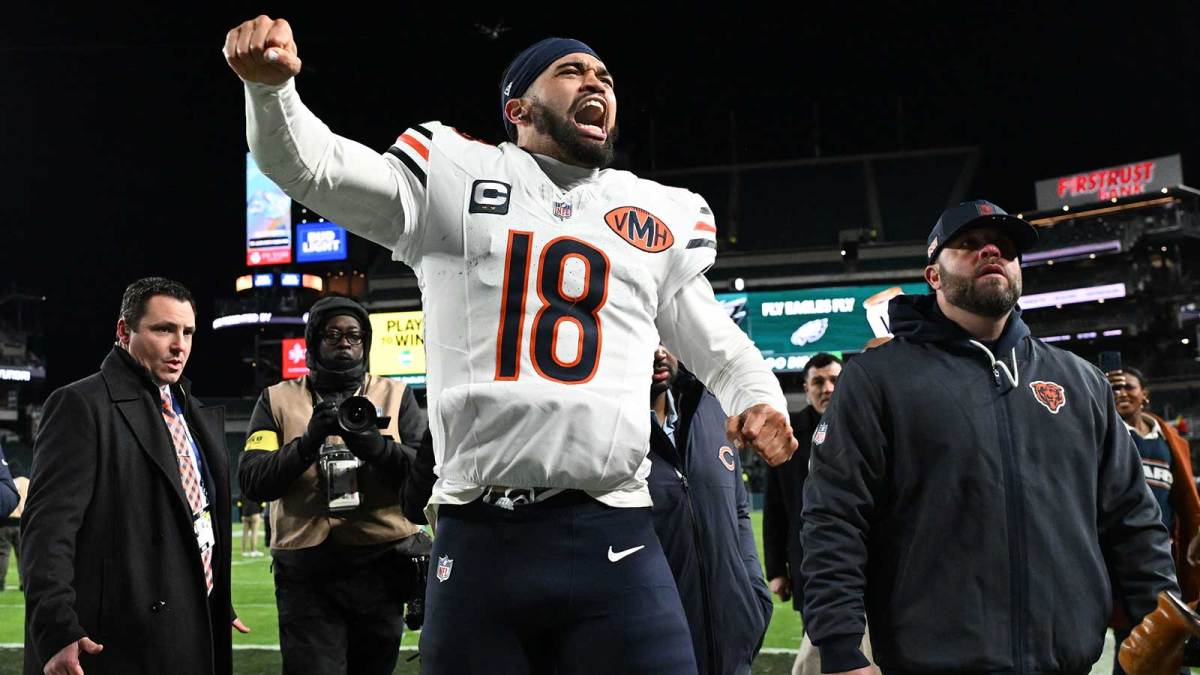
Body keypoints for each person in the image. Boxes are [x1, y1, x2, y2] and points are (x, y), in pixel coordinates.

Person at [224, 16, 795, 673]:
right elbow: (316, 167)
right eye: (572, 71)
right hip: (479, 537)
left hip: (614, 534)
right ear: (518, 107)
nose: (597, 82)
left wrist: (756, 397)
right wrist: (270, 93)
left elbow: (716, 340)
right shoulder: (455, 176)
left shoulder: (649, 210)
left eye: (605, 75)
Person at [801, 200, 1178, 673]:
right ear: (933, 275)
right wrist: (839, 648)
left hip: (1069, 661)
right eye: (969, 245)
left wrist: (1160, 622)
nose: (992, 252)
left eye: (1005, 248)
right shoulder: (878, 377)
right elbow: (835, 515)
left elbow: (1132, 519)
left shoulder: (1082, 382)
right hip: (930, 662)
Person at [21, 277, 245, 675]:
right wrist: (57, 629)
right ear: (124, 331)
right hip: (120, 637)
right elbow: (47, 532)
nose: (180, 346)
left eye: (188, 332)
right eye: (164, 329)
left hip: (192, 620)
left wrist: (212, 596)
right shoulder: (80, 404)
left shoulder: (188, 409)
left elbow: (195, 515)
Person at [238, 296, 430, 675]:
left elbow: (423, 477)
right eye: (332, 334)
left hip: (383, 565)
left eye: (355, 336)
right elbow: (253, 480)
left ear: (366, 345)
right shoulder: (275, 399)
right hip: (307, 573)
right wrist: (307, 443)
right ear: (312, 343)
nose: (345, 342)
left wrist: (375, 447)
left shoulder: (398, 395)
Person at [646, 345, 773, 675]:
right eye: (646, 334)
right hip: (651, 645)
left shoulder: (712, 408)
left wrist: (753, 595)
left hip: (732, 641)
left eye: (666, 336)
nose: (658, 350)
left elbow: (739, 509)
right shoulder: (606, 432)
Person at [762, 353, 876, 674]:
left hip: (869, 562)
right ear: (806, 387)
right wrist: (776, 569)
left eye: (834, 381)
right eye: (818, 382)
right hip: (809, 565)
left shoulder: (866, 423)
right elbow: (775, 507)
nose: (827, 388)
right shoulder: (788, 432)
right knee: (817, 646)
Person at [1107, 366, 1200, 674]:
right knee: (1139, 640)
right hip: (1123, 560)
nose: (1121, 394)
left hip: (1167, 557)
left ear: (1144, 394)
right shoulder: (1109, 438)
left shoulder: (1169, 441)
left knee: (1158, 644)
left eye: (1129, 388)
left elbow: (1185, 502)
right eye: (1115, 389)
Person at [0, 459, 27, 591]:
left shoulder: (6, 483)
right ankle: (24, 583)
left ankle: (0, 582)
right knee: (22, 555)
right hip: (22, 524)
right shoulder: (27, 482)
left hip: (5, 523)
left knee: (2, 554)